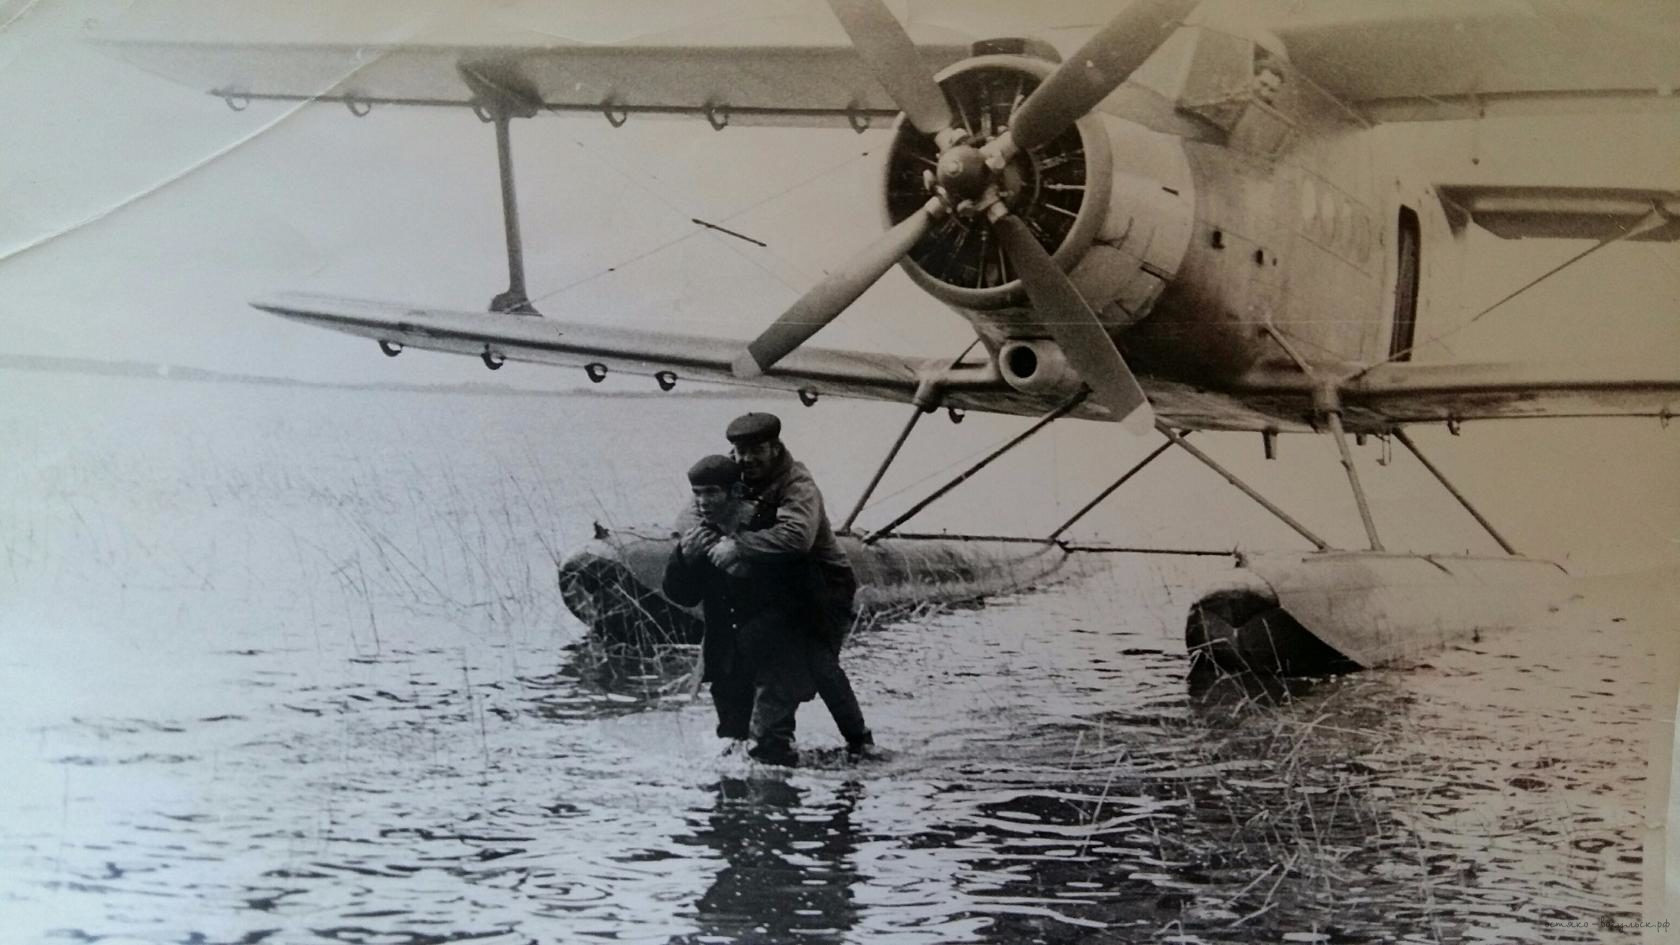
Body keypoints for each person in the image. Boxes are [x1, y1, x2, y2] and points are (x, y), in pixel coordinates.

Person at [706, 412, 875, 763]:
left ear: (775, 448)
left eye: (757, 450)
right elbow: (698, 505)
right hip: (778, 586)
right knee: (779, 660)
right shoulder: (733, 473)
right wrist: (703, 539)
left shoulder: (798, 483)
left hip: (824, 583)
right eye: (740, 451)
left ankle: (853, 742)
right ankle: (767, 743)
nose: (747, 460)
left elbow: (797, 537)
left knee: (819, 662)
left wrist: (738, 546)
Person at [661, 454, 758, 749]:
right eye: (697, 494)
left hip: (766, 652)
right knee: (731, 740)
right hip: (726, 655)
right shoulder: (701, 536)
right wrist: (683, 559)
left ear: (735, 492)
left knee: (770, 739)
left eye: (712, 492)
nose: (703, 502)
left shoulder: (763, 530)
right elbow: (683, 595)